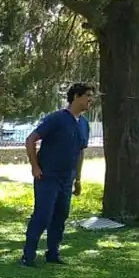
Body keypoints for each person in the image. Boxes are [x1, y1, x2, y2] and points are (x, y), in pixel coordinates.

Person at [22, 83, 94, 267]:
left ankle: (53, 253)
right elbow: (31, 140)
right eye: (87, 95)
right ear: (76, 96)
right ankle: (28, 256)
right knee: (43, 215)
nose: (90, 100)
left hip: (67, 179)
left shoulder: (84, 124)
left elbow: (80, 152)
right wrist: (35, 167)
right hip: (47, 176)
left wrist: (78, 178)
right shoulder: (57, 118)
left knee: (61, 215)